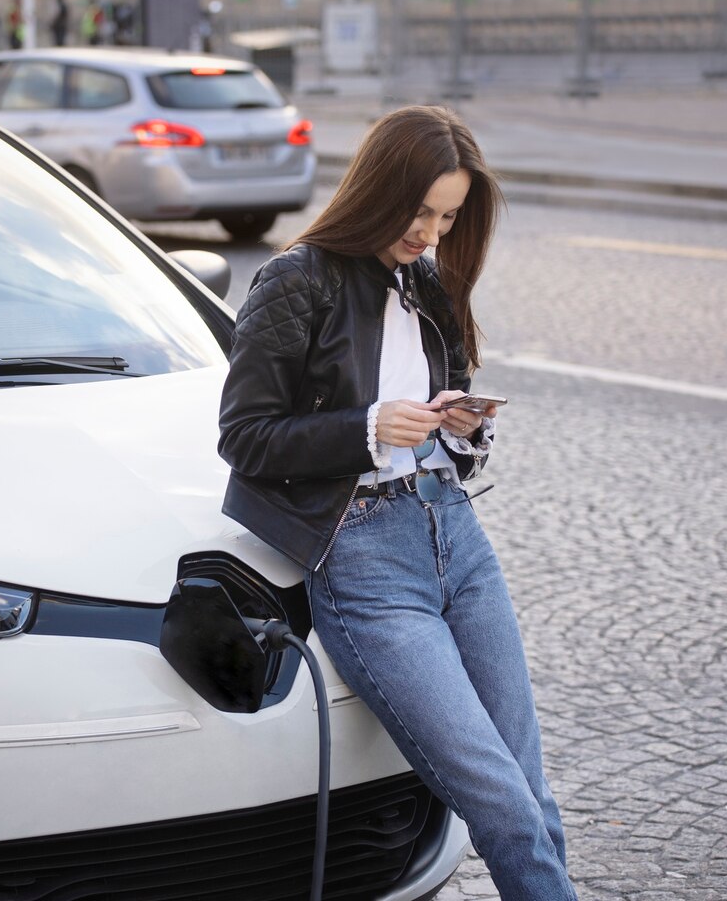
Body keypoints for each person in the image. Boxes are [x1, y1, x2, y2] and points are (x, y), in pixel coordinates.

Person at [217, 105, 579, 901]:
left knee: (536, 797)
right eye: (421, 212)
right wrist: (369, 427)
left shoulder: (424, 282)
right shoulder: (296, 279)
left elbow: (426, 423)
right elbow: (245, 437)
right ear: (380, 188)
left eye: (449, 217)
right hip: (365, 561)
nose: (432, 234)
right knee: (503, 806)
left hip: (454, 531)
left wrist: (457, 428)